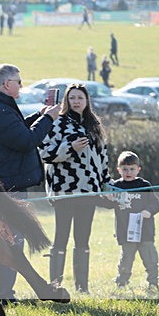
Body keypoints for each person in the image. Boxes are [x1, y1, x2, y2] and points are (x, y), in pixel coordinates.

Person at [0, 64, 60, 302]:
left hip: (1, 183)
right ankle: (4, 294)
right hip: (7, 186)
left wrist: (38, 116)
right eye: (18, 81)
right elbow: (26, 140)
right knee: (11, 242)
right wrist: (48, 119)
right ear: (6, 84)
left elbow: (15, 129)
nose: (21, 85)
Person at [38, 83, 110, 293]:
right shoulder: (57, 123)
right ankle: (55, 285)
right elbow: (45, 154)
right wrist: (69, 148)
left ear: (87, 100)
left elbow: (102, 158)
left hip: (89, 190)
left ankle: (82, 286)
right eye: (72, 98)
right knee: (61, 237)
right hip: (64, 190)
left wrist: (106, 184)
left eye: (80, 97)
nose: (76, 101)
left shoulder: (94, 124)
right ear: (66, 101)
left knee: (83, 238)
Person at [109, 151, 159, 290]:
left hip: (145, 230)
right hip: (126, 231)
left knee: (150, 258)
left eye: (132, 169)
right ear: (119, 170)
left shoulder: (144, 185)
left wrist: (148, 211)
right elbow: (108, 204)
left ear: (138, 169)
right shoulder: (116, 187)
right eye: (125, 169)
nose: (128, 172)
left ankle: (153, 282)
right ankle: (121, 282)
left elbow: (155, 204)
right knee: (126, 258)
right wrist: (109, 198)